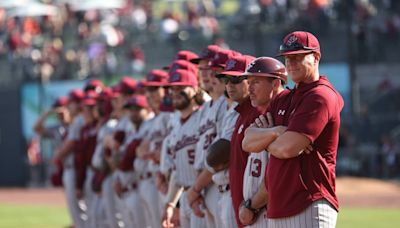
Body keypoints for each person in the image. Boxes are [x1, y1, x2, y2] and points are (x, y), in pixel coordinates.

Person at [243, 31, 344, 228]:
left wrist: (268, 139)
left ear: (315, 58)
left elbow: (287, 149)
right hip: (278, 207)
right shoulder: (283, 98)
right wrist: (278, 132)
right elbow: (247, 142)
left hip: (309, 202)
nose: (290, 63)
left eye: (297, 57)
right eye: (288, 58)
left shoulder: (320, 95)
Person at [238, 57, 287, 228]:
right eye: (248, 82)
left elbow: (277, 174)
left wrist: (251, 206)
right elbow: (246, 140)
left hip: (269, 210)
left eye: (256, 82)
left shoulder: (285, 115)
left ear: (275, 84)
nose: (249, 88)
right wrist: (271, 133)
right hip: (256, 211)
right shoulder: (264, 118)